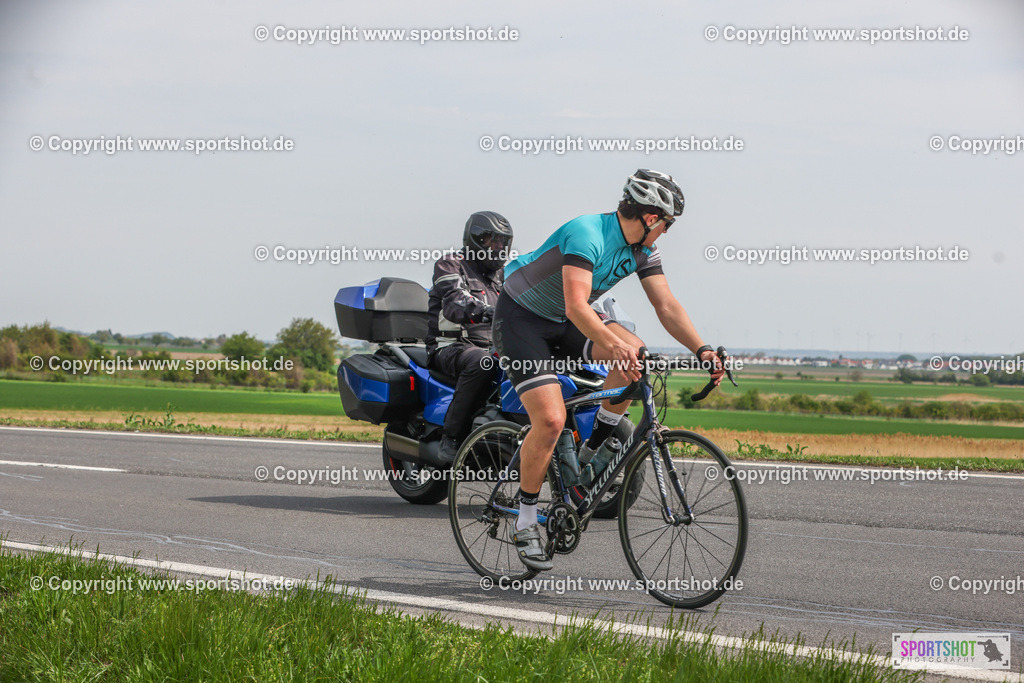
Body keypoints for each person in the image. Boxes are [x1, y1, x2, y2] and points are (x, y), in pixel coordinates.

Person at [493, 169, 724, 571]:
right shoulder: (588, 233)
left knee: (636, 354)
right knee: (551, 420)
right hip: (522, 319)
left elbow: (666, 306)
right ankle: (526, 520)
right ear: (651, 217)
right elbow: (576, 305)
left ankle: (588, 453)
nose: (667, 232)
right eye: (668, 224)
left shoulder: (644, 251)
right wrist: (614, 345)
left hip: (564, 321)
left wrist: (702, 349)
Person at [426, 211, 513, 464]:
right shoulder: (450, 264)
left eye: (503, 242)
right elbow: (455, 302)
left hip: (493, 347)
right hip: (451, 346)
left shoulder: (503, 274)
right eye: (494, 241)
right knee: (481, 363)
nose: (499, 248)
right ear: (477, 239)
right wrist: (487, 311)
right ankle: (452, 437)